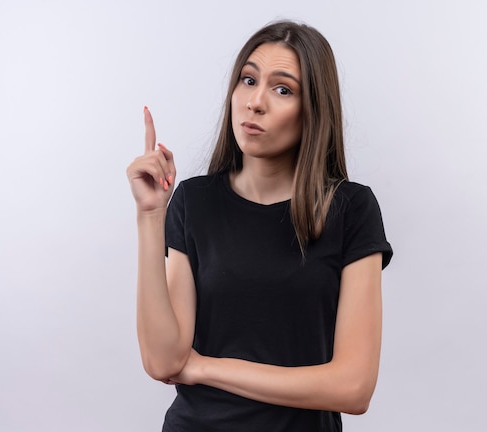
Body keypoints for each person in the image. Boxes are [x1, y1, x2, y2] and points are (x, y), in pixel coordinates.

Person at [126, 20, 393, 432]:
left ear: (314, 110)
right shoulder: (194, 202)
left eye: (282, 89)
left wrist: (207, 369)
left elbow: (354, 387)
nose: (255, 102)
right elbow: (163, 360)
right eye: (248, 80)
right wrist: (149, 216)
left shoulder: (350, 210)